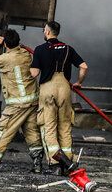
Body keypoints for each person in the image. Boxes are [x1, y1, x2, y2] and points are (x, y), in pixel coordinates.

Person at [30, 20, 87, 174]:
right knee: (65, 127)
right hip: (64, 88)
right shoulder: (68, 48)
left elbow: (34, 73)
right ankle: (68, 162)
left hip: (48, 89)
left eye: (44, 30)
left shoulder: (40, 49)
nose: (43, 32)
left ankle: (57, 164)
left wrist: (32, 64)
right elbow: (83, 66)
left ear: (48, 32)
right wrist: (78, 82)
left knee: (49, 127)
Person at [0, 29, 44, 172]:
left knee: (3, 131)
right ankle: (38, 165)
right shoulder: (26, 54)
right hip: (32, 100)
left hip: (17, 104)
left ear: (5, 43)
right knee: (31, 132)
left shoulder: (6, 58)